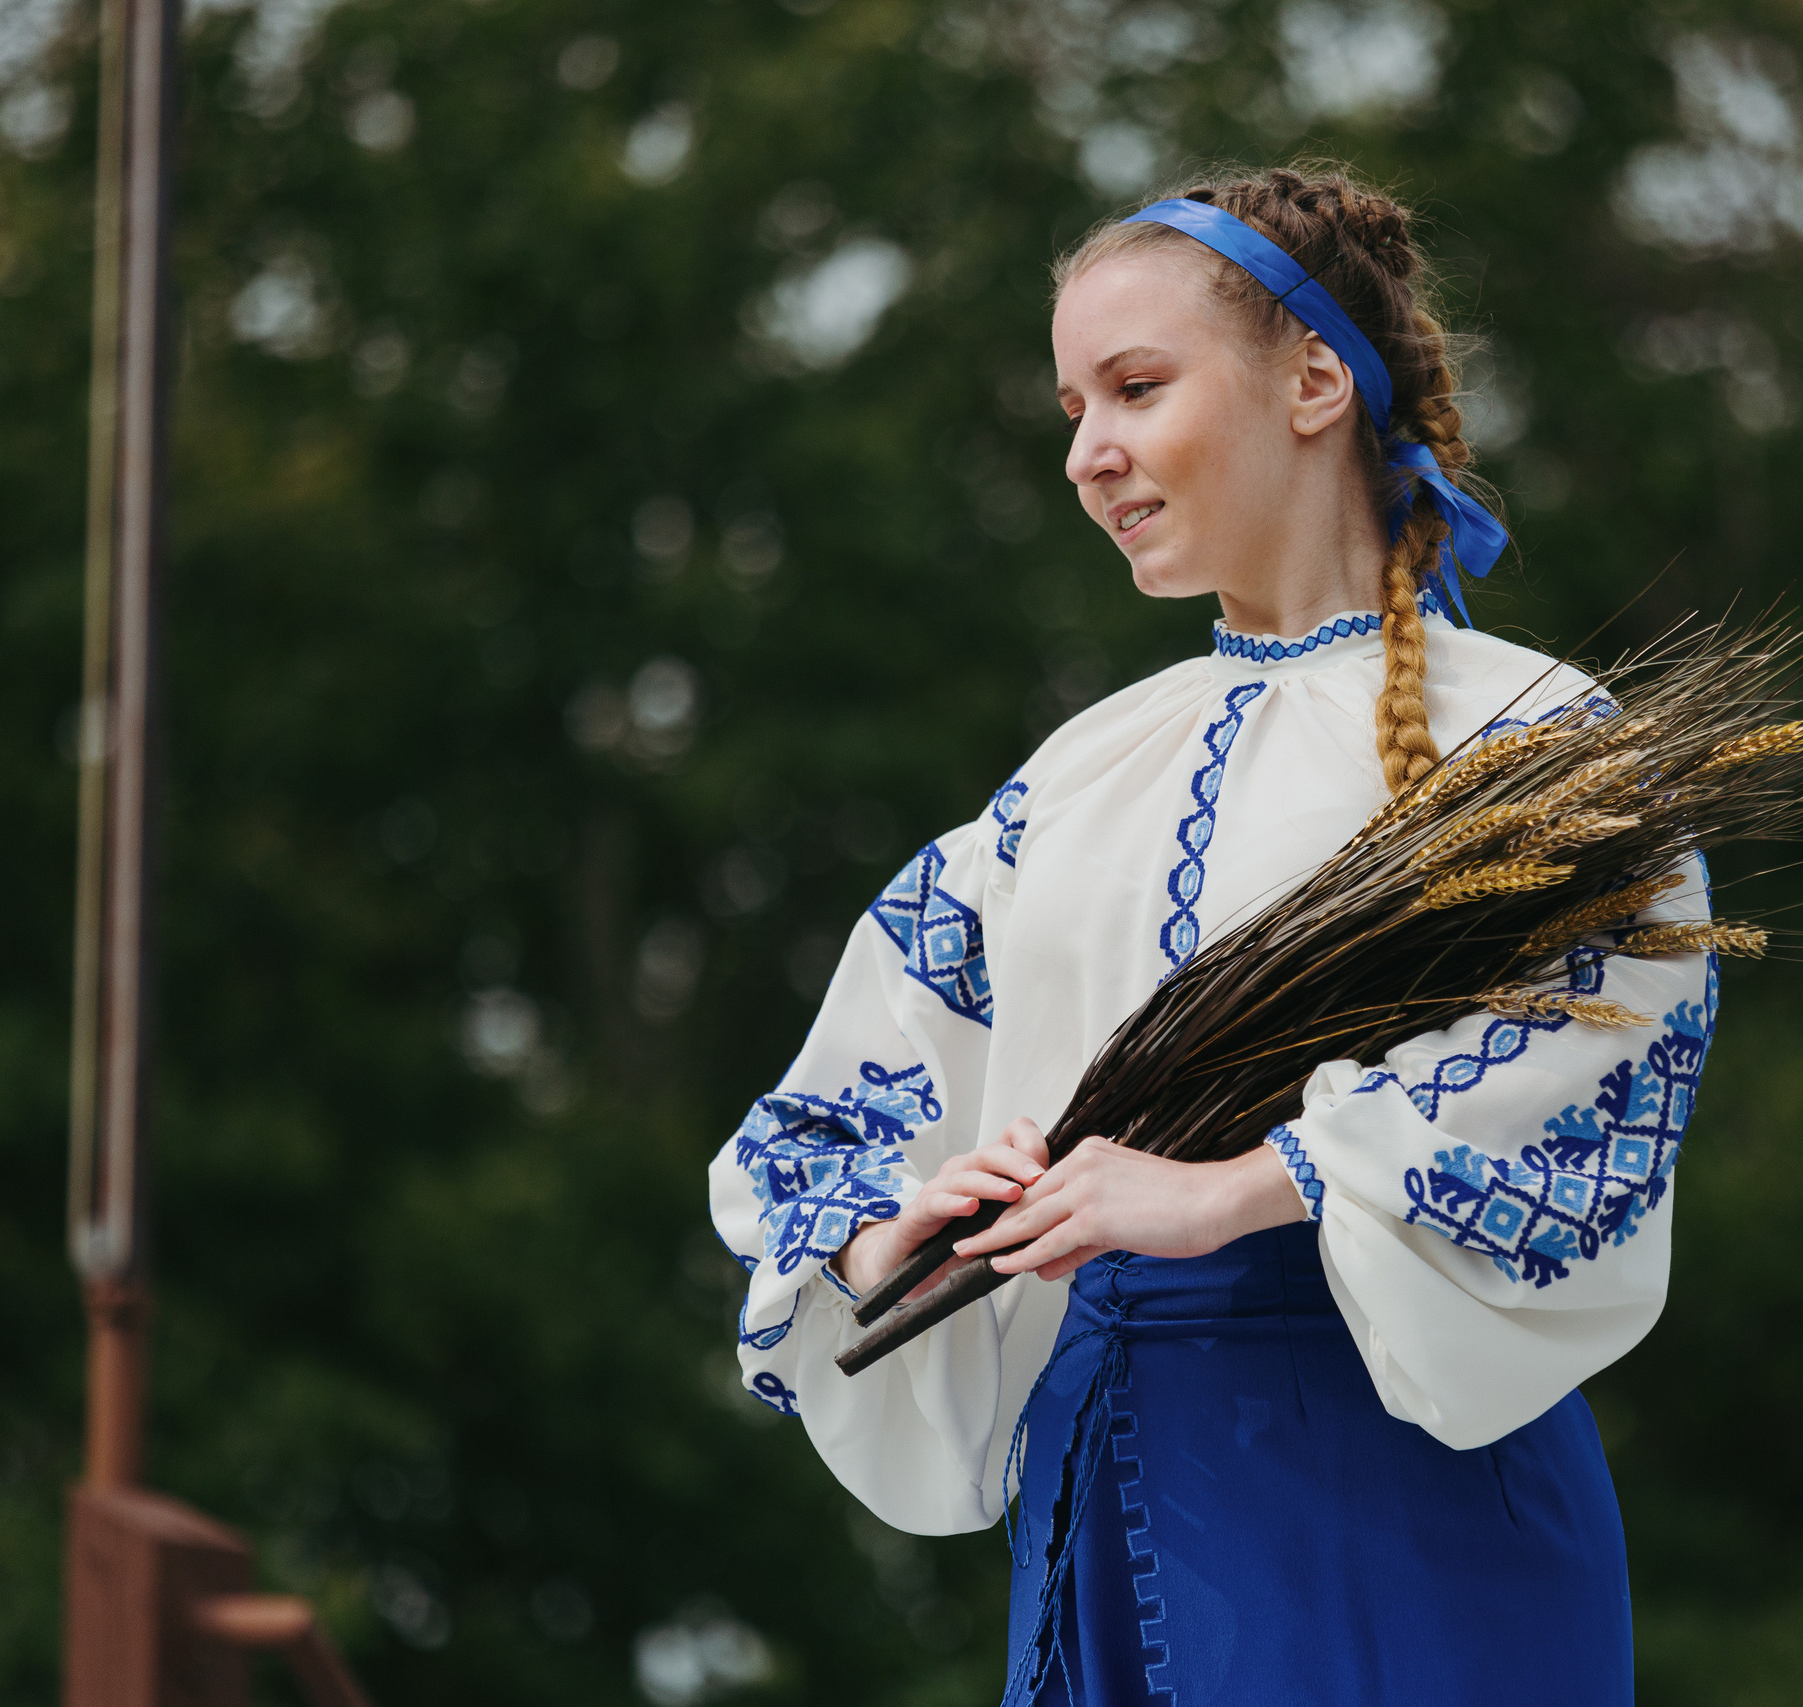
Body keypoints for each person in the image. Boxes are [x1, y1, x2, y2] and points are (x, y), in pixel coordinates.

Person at [707, 165, 1718, 1705]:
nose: (1090, 453)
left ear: (1316, 378)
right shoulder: (1073, 776)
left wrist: (1236, 1192)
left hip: (1398, 1491)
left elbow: (1598, 1064)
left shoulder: (1527, 738)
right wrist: (890, 1225)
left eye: (1134, 387)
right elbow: (834, 1105)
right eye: (1069, 409)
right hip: (1105, 1477)